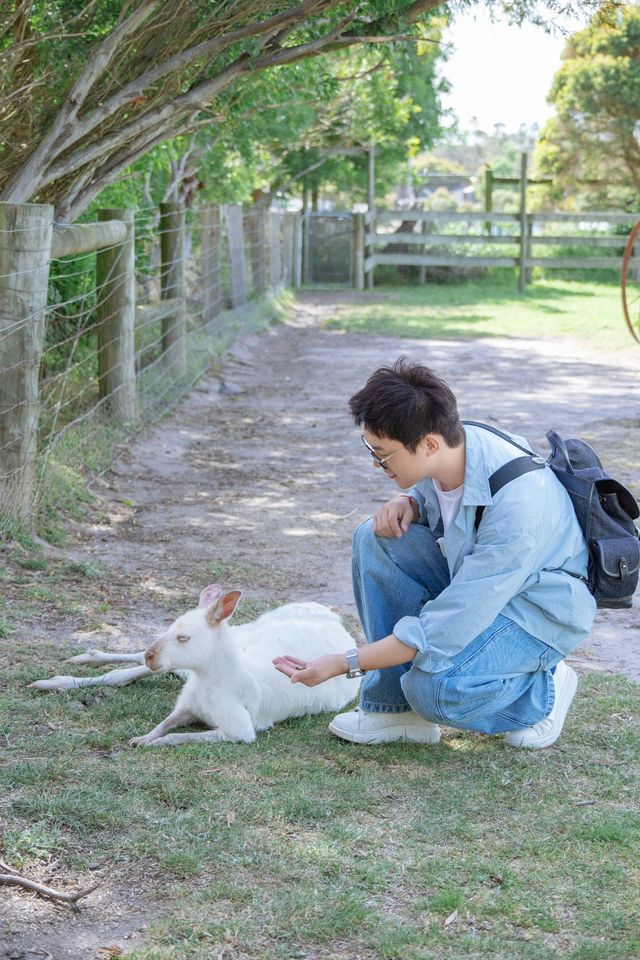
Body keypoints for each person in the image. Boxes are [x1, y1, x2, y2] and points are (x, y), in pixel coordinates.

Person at [273, 358, 597, 749]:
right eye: (370, 449)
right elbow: (444, 503)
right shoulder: (452, 446)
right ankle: (394, 711)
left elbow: (447, 624)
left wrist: (346, 661)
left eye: (383, 454)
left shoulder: (520, 505)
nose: (376, 463)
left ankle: (542, 689)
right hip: (481, 586)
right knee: (376, 537)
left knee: (436, 689)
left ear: (428, 444)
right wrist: (410, 499)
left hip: (536, 612)